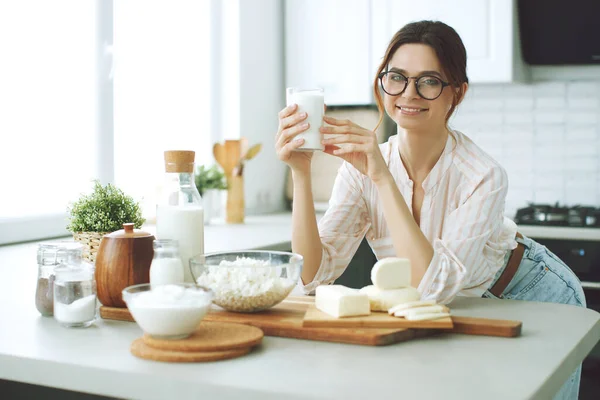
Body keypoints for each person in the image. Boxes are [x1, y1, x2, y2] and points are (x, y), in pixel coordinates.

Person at [275, 20, 586, 399]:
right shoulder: (363, 167)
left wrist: (383, 179)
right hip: (449, 306)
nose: (409, 93)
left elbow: (430, 287)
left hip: (531, 292)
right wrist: (301, 173)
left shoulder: (482, 176)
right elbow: (312, 277)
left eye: (429, 81)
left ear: (457, 93)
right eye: (397, 77)